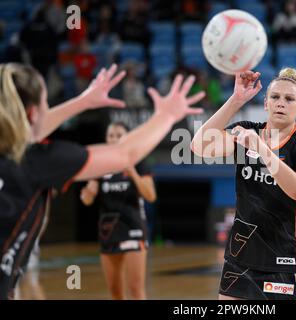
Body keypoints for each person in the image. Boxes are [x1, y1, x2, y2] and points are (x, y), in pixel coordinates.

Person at [0, 62, 204, 299]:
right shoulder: (38, 161)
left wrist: (83, 102)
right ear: (33, 113)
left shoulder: (19, 153)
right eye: (47, 103)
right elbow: (125, 153)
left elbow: (23, 129)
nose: (48, 109)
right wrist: (167, 116)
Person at [191, 68, 296, 300]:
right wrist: (236, 100)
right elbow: (199, 146)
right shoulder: (247, 131)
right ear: (265, 103)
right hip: (241, 256)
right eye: (275, 97)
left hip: (287, 260)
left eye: (289, 99)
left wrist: (262, 149)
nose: (281, 103)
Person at [80, 122, 157, 300]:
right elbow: (87, 200)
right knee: (115, 292)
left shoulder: (138, 161)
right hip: (109, 231)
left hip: (133, 229)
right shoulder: (100, 166)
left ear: (128, 138)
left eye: (119, 135)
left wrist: (133, 174)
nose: (114, 139)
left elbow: (151, 195)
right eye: (111, 135)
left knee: (136, 290)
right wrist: (87, 194)